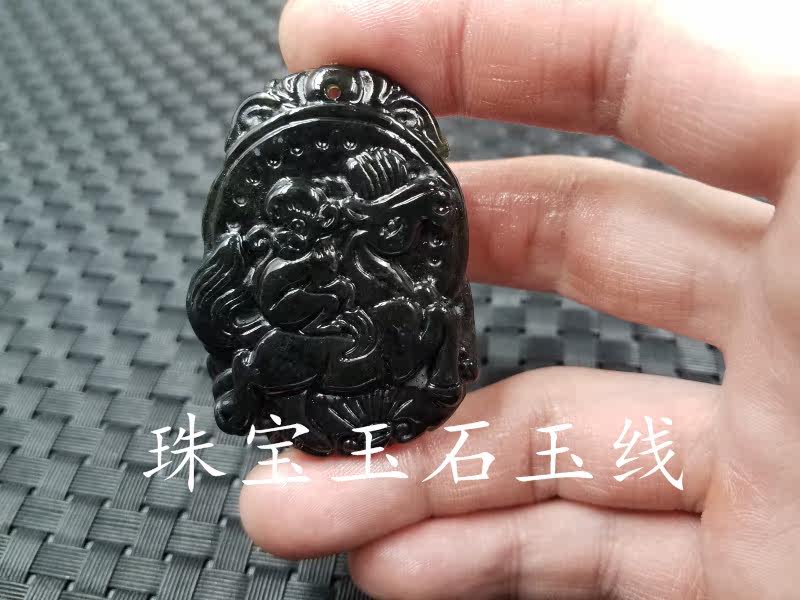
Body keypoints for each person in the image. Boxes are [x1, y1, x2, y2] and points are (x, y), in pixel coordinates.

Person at [239, 1, 800, 597]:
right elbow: (287, 298)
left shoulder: (354, 228)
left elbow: (415, 208)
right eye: (299, 221)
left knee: (416, 314)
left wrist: (386, 219)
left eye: (314, 214)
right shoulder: (293, 260)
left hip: (374, 324)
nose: (313, 222)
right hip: (331, 336)